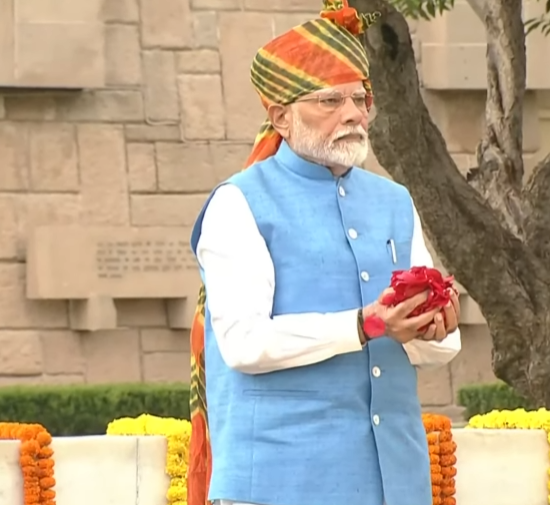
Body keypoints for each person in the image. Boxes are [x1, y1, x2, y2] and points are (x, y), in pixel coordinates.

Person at [184, 2, 462, 505]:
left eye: (360, 99)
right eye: (331, 100)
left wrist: (435, 328)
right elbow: (244, 344)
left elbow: (429, 350)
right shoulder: (240, 203)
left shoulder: (393, 201)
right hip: (279, 484)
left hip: (394, 483)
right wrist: (367, 324)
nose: (354, 114)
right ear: (280, 116)